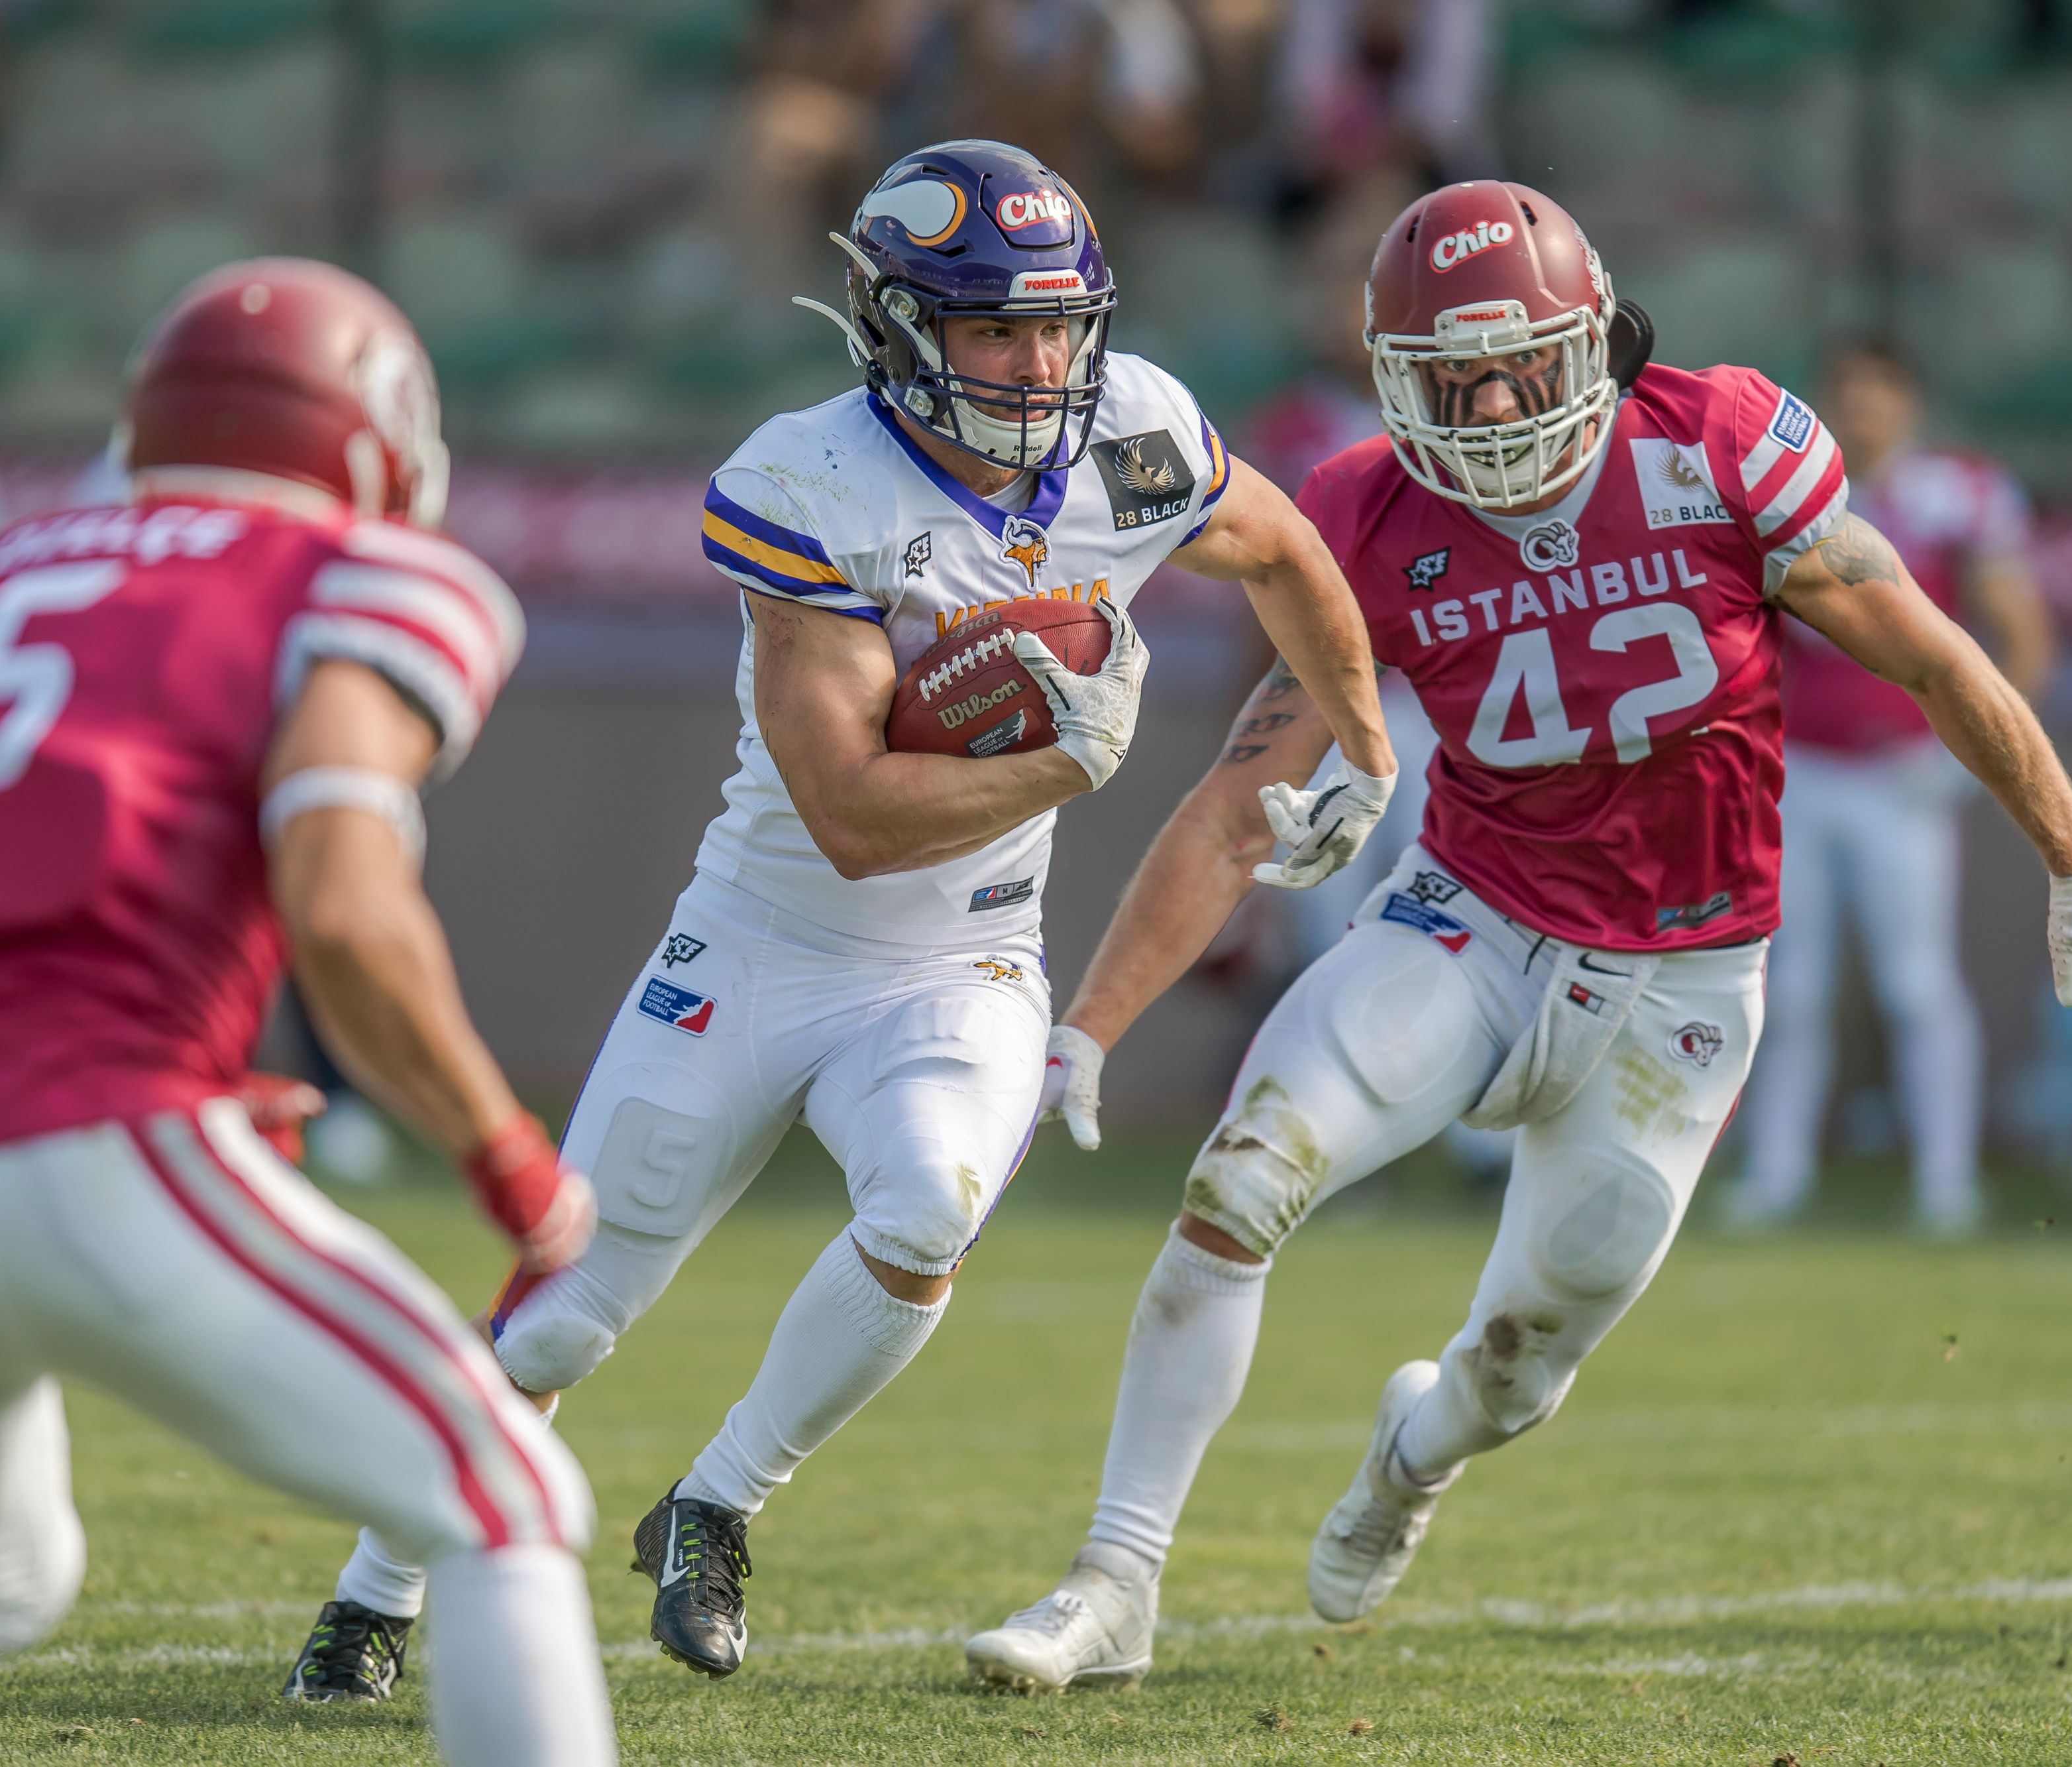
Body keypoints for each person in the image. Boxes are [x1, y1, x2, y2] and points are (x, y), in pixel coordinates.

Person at [961, 179, 2072, 1693]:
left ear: (1594, 340)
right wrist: (1092, 1023)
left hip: (1685, 977)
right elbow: (1233, 799)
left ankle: (1413, 1454)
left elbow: (1930, 653)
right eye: (1458, 377)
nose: (1501, 402)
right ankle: (1112, 1579)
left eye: (1526, 360)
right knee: (1237, 1179)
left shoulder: (1716, 444)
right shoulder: (1364, 512)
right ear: (1398, 382)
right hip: (1471, 922)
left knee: (1518, 1365)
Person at [288, 138, 1398, 1689]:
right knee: (566, 1305)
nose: (1035, 363)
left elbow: (1281, 546)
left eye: (1057, 324)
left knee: (931, 1203)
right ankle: (373, 1585)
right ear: (895, 326)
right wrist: (1068, 764)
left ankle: (714, 1501)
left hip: (966, 961)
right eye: (991, 329)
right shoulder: (811, 478)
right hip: (764, 938)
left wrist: (1361, 737)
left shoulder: (1136, 432)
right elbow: (852, 815)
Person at [0, 260, 616, 1767]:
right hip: (92, 1137)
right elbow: (343, 902)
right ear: (370, 435)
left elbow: (3, 862)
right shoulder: (361, 573)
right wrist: (505, 1152)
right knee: (503, 1494)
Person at [1730, 337, 2053, 1235]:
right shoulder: (1789, 494)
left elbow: (2021, 634)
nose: (1863, 412)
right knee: (1788, 986)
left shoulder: (1956, 496)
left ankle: (1946, 1178)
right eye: (1848, 394)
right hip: (1803, 769)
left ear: (1908, 403)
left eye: (1878, 394)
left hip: (1904, 770)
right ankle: (1776, 1172)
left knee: (1918, 982)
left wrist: (1975, 754)